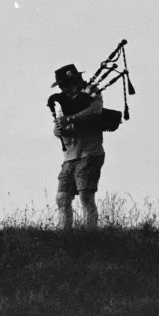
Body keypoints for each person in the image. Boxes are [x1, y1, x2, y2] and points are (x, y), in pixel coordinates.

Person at [50, 63, 107, 230]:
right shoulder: (62, 101)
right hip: (70, 157)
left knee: (86, 197)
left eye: (65, 84)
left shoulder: (92, 93)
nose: (63, 88)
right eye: (61, 85)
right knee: (62, 198)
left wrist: (71, 118)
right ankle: (65, 235)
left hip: (89, 153)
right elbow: (59, 127)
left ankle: (91, 236)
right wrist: (58, 129)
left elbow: (96, 109)